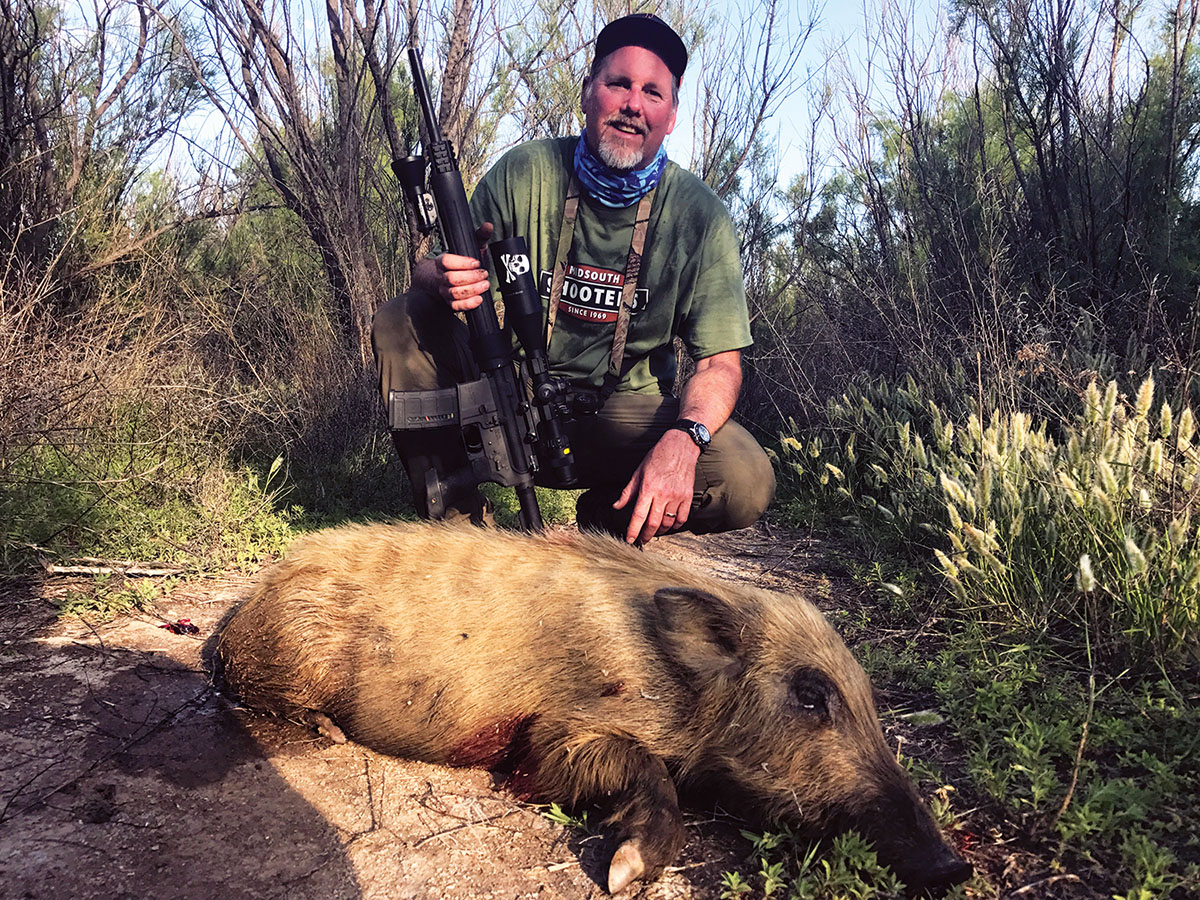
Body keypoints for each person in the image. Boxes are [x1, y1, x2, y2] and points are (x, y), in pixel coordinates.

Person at [372, 13, 775, 544]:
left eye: (653, 93)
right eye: (618, 84)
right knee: (405, 317)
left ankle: (610, 520)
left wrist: (685, 437)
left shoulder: (701, 217)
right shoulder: (525, 170)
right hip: (514, 393)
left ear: (671, 115)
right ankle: (460, 532)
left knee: (745, 479)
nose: (633, 104)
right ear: (588, 93)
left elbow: (721, 363)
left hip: (620, 415)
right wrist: (441, 279)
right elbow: (437, 265)